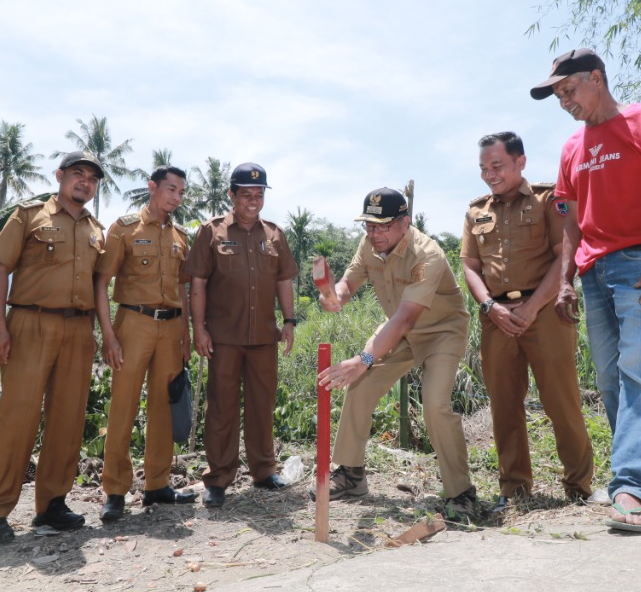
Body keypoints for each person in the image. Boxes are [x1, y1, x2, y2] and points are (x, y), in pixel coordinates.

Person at [531, 48, 641, 533]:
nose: (565, 101)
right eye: (558, 96)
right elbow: (571, 223)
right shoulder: (572, 148)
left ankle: (629, 487)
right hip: (594, 274)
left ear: (597, 79)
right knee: (609, 380)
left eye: (569, 90)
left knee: (639, 373)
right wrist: (565, 280)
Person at [317, 188, 479, 523]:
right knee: (360, 385)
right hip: (400, 329)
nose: (374, 233)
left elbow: (406, 317)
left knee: (434, 405)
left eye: (383, 226)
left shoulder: (427, 254)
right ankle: (351, 475)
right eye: (369, 226)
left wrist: (363, 360)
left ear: (405, 223)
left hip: (441, 331)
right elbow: (348, 284)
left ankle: (461, 493)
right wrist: (333, 297)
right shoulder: (369, 245)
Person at [0, 151, 108, 544]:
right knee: (18, 419)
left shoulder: (96, 230)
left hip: (78, 329)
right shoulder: (30, 215)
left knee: (68, 419)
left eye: (92, 178)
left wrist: (96, 332)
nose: (84, 182)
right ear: (60, 176)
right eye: (77, 174)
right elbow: (0, 268)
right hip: (30, 323)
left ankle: (52, 505)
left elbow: (98, 286)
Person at [461, 132, 595, 511]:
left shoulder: (548, 200)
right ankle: (514, 488)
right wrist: (490, 306)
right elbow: (470, 266)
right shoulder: (476, 212)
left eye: (497, 166)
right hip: (497, 318)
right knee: (504, 406)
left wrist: (533, 307)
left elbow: (564, 256)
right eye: (484, 168)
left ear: (520, 162)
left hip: (546, 313)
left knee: (561, 401)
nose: (490, 174)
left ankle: (579, 487)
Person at [183, 162, 298, 508]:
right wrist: (199, 328)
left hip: (264, 336)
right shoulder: (211, 232)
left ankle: (264, 471)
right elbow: (198, 283)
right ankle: (219, 478)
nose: (253, 200)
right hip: (224, 337)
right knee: (221, 408)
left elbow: (284, 280)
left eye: (259, 194)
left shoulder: (274, 234)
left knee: (262, 405)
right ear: (232, 195)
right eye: (246, 194)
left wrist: (289, 320)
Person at [97, 166, 195, 522]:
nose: (176, 197)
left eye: (181, 192)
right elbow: (102, 282)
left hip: (171, 327)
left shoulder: (180, 236)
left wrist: (185, 333)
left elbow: (182, 287)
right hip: (133, 323)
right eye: (171, 189)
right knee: (123, 405)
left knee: (164, 406)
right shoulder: (124, 229)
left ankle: (158, 484)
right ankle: (115, 490)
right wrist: (108, 335)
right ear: (152, 187)